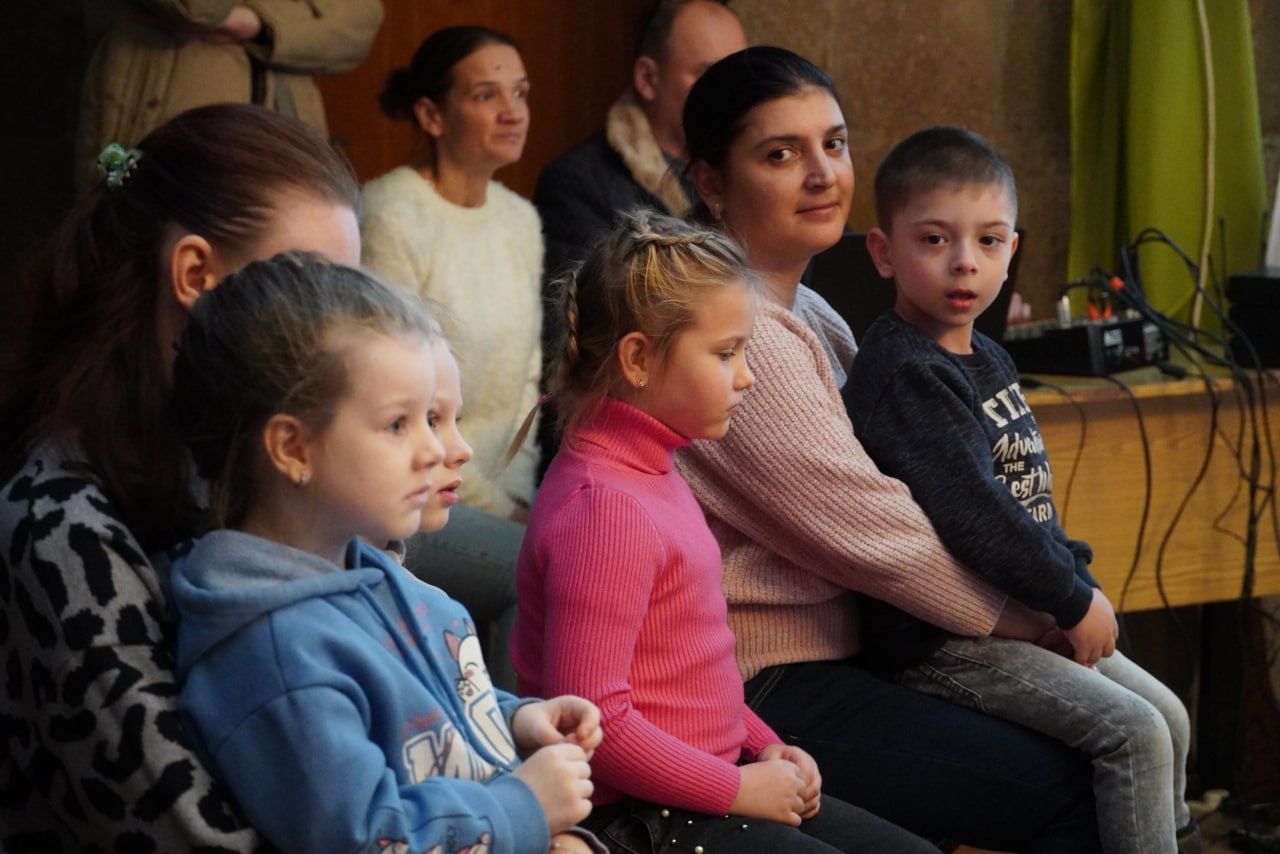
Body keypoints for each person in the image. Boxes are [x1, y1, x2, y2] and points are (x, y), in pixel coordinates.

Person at [675, 46, 1105, 852]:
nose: (821, 174)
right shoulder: (737, 330)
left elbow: (931, 491)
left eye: (833, 144)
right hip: (767, 680)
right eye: (781, 154)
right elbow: (878, 534)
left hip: (849, 649)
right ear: (711, 182)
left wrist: (1051, 591)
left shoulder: (810, 310)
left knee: (1104, 735)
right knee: (1075, 781)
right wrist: (1027, 615)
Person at [513, 210, 935, 853]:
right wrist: (737, 789)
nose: (747, 376)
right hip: (640, 821)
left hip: (706, 783)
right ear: (638, 359)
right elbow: (597, 727)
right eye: (725, 353)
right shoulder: (604, 509)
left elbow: (691, 670)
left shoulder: (653, 468)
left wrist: (764, 746)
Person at [0, 103, 361, 852]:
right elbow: (197, 837)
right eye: (307, 289)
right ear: (196, 273)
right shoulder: (58, 525)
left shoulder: (243, 457)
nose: (338, 335)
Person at [165, 253, 603, 854]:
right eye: (400, 424)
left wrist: (512, 720)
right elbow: (368, 839)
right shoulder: (277, 658)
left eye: (432, 418)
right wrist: (520, 806)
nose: (436, 451)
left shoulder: (367, 572)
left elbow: (423, 719)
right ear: (293, 448)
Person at [843, 124, 1198, 854]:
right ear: (884, 251)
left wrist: (1077, 584)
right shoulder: (908, 372)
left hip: (1023, 610)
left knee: (1170, 715)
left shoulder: (988, 356)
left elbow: (1030, 503)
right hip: (943, 641)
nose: (964, 262)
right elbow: (979, 516)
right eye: (934, 239)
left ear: (1013, 250)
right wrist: (1069, 599)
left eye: (989, 240)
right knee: (1134, 733)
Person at [361, 25, 540, 690]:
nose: (513, 111)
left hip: (500, 484)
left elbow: (528, 376)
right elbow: (402, 393)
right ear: (432, 115)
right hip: (412, 485)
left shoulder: (520, 219)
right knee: (536, 570)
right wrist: (501, 510)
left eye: (520, 92)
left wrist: (519, 496)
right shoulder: (391, 212)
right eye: (486, 95)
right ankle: (506, 744)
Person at [532, 0, 747, 284]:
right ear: (648, 78)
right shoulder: (577, 185)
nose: (731, 93)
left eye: (738, 75)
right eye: (708, 75)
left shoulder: (752, 169)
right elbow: (578, 308)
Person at [76, 0, 384, 191]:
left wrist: (259, 24)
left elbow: (359, 24)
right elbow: (197, 9)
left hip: (282, 148)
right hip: (148, 147)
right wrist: (297, 11)